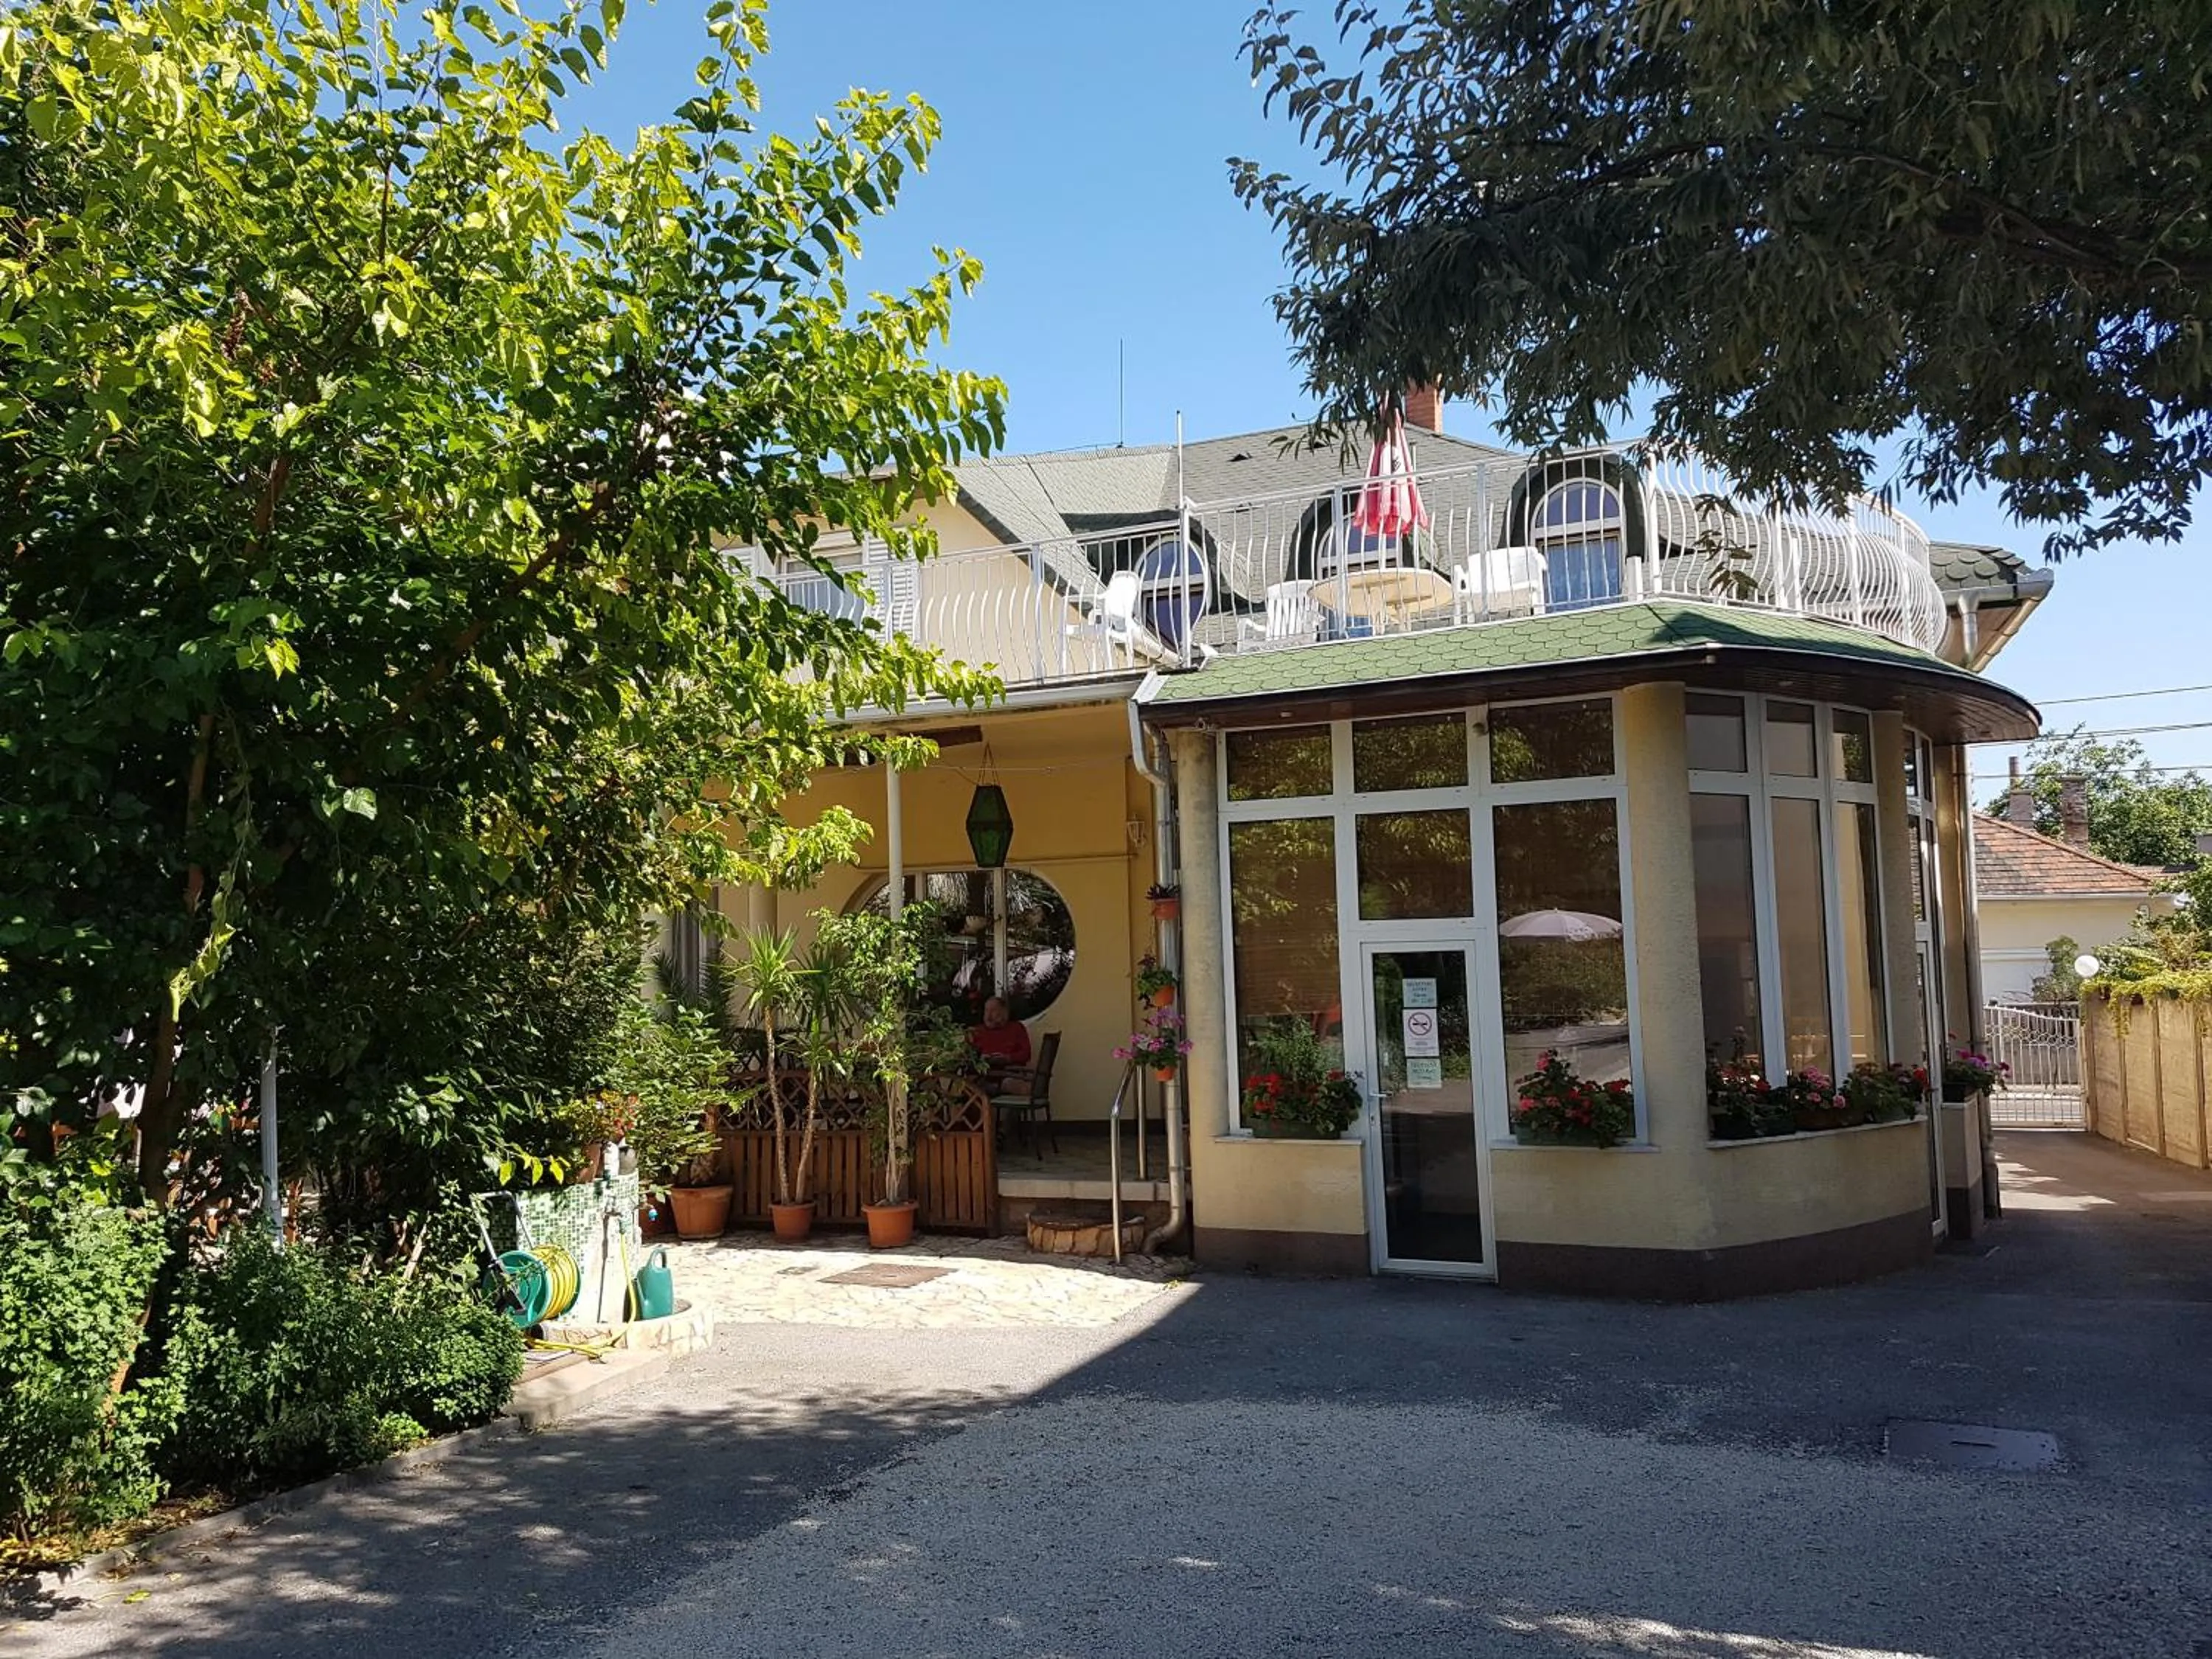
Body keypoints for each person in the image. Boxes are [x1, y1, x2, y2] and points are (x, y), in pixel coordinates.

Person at [968, 995, 1032, 1085]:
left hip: (1009, 1074)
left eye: (993, 1011)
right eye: (986, 1010)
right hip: (982, 1076)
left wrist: (1008, 1058)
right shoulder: (977, 1031)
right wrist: (981, 1058)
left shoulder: (1017, 1028)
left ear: (1004, 1012)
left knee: (1016, 1085)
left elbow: (1026, 1054)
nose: (988, 1015)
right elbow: (968, 1055)